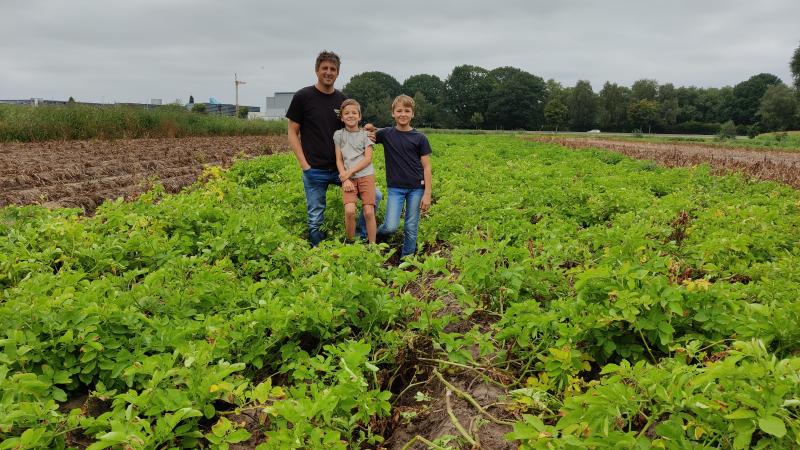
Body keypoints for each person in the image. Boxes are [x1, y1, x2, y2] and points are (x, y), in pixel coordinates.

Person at [286, 51, 381, 246]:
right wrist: (305, 166)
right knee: (315, 216)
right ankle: (316, 252)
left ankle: (362, 238)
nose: (328, 72)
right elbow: (292, 133)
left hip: (344, 170)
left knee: (376, 196)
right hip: (315, 169)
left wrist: (367, 130)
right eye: (325, 68)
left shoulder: (342, 100)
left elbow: (352, 125)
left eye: (333, 69)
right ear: (317, 70)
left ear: (338, 73)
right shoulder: (303, 97)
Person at [371, 94, 432, 259]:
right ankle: (375, 237)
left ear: (412, 114)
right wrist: (367, 128)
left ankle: (406, 260)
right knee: (391, 225)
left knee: (411, 226)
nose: (403, 114)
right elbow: (367, 136)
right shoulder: (386, 134)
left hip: (416, 189)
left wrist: (427, 193)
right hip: (395, 188)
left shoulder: (420, 138)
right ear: (393, 113)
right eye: (399, 110)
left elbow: (426, 167)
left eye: (407, 110)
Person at [334, 99, 377, 243]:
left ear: (359, 116)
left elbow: (368, 159)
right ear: (341, 117)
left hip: (366, 176)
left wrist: (349, 172)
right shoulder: (338, 135)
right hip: (348, 179)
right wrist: (345, 178)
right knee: (350, 211)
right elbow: (339, 159)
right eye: (346, 113)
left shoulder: (366, 135)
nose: (350, 115)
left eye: (354, 112)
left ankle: (373, 247)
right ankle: (351, 244)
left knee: (369, 212)